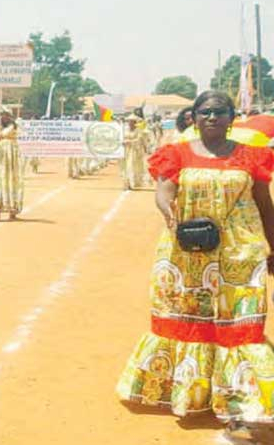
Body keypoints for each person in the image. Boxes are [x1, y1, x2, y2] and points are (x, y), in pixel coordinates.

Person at [116, 91, 274, 438]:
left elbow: (264, 202)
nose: (212, 117)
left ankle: (241, 399)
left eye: (219, 112)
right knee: (191, 317)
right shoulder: (176, 154)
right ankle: (193, 393)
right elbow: (164, 189)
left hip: (240, 253)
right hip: (188, 251)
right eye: (205, 112)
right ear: (194, 117)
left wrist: (273, 248)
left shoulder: (252, 156)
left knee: (241, 323)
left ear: (232, 117)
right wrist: (167, 208)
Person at [0, 107, 24, 221]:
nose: (3, 117)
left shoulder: (14, 126)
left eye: (6, 115)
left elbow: (6, 134)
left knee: (12, 181)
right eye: (2, 115)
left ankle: (13, 211)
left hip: (11, 156)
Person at [122, 114, 151, 190]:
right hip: (126, 151)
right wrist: (124, 142)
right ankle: (127, 182)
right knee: (125, 167)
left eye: (131, 121)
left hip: (135, 151)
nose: (130, 123)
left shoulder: (138, 131)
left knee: (132, 166)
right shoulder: (125, 130)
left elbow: (139, 140)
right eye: (129, 121)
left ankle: (132, 182)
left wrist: (130, 142)